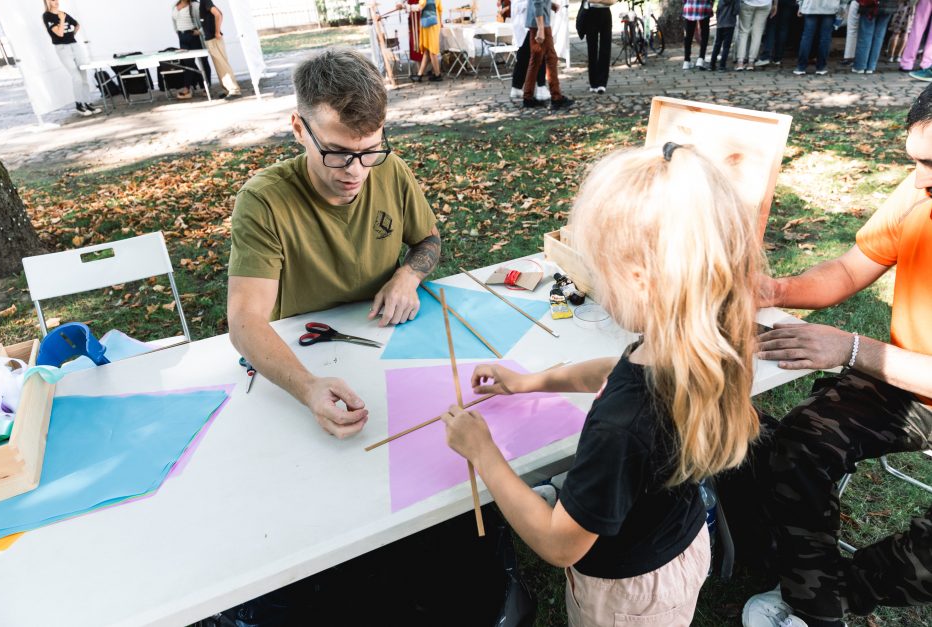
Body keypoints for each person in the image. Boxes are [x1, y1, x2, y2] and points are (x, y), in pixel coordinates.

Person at [441, 142, 763, 626]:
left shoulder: (622, 427)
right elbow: (609, 370)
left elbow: (557, 544)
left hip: (627, 597)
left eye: (595, 269)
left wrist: (483, 451)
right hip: (676, 543)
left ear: (638, 280)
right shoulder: (698, 342)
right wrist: (530, 382)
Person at [742, 84, 932, 627]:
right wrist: (776, 291)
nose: (920, 180)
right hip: (903, 385)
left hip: (897, 371)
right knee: (799, 445)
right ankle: (813, 606)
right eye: (916, 162)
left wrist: (851, 349)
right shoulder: (920, 190)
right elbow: (852, 268)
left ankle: (839, 594)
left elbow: (858, 349)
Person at [227, 49, 440, 439]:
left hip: (387, 342)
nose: (355, 171)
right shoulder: (263, 201)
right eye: (337, 153)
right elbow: (244, 322)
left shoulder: (390, 168)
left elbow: (428, 239)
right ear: (298, 129)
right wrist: (307, 387)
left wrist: (408, 276)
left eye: (369, 150)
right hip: (302, 356)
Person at [41, 0, 102, 117]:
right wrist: (62, 20)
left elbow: (77, 24)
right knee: (76, 77)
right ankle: (79, 105)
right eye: (53, 0)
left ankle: (87, 103)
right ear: (47, 2)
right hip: (63, 48)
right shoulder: (47, 16)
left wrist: (71, 34)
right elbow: (59, 34)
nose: (56, 2)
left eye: (56, 0)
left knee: (83, 76)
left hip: (74, 46)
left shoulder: (63, 13)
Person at [523, 0, 573, 109]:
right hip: (541, 25)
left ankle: (527, 97)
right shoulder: (541, 26)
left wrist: (550, 5)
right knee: (551, 59)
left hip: (536, 23)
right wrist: (540, 28)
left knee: (536, 61)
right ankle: (556, 98)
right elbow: (537, 2)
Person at [198, 0, 242, 98]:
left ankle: (234, 90)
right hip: (211, 39)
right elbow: (220, 13)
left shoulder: (205, 1)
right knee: (219, 66)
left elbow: (218, 14)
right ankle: (227, 89)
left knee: (222, 65)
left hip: (214, 39)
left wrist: (217, 32)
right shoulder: (203, 2)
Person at [171, 0, 212, 99]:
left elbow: (207, 19)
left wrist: (200, 31)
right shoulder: (175, 5)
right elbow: (174, 21)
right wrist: (178, 33)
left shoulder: (195, 6)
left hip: (194, 36)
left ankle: (206, 86)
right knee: (188, 63)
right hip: (182, 37)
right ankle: (188, 88)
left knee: (203, 61)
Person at [510, 0, 550, 100]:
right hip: (529, 21)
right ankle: (541, 87)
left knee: (524, 55)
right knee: (538, 54)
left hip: (524, 20)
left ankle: (517, 87)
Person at [793, 0, 842, 75]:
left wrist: (800, 5)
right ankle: (821, 67)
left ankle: (801, 67)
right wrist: (841, 10)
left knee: (807, 36)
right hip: (830, 7)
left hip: (810, 6)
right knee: (825, 37)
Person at [852, 0, 898, 73]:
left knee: (865, 34)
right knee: (879, 36)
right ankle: (871, 66)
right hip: (889, 5)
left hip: (870, 5)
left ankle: (860, 66)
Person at [584, 0, 616, 91]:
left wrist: (599, 0)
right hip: (591, 13)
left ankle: (602, 82)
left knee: (605, 48)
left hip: (605, 12)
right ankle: (593, 83)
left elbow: (613, 1)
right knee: (592, 48)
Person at [735, 0, 775, 70]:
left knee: (743, 32)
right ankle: (751, 62)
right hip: (765, 4)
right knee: (757, 33)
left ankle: (740, 62)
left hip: (748, 3)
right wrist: (775, 4)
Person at [410, 0, 443, 82]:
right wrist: (441, 21)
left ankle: (437, 74)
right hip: (435, 22)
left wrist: (405, 7)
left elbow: (420, 6)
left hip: (429, 25)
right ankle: (419, 75)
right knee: (427, 50)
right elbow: (440, 9)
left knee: (432, 51)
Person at [756, 0, 796, 66]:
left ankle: (766, 56)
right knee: (783, 28)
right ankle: (778, 58)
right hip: (789, 2)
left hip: (776, 2)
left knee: (771, 27)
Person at [683, 0, 713, 69]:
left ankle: (686, 60)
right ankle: (701, 58)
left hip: (690, 6)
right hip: (704, 6)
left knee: (688, 35)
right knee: (704, 32)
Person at [711, 0, 739, 70]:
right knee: (726, 46)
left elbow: (717, 10)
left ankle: (712, 64)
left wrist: (718, 20)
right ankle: (722, 65)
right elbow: (736, 11)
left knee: (717, 44)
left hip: (720, 23)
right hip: (730, 24)